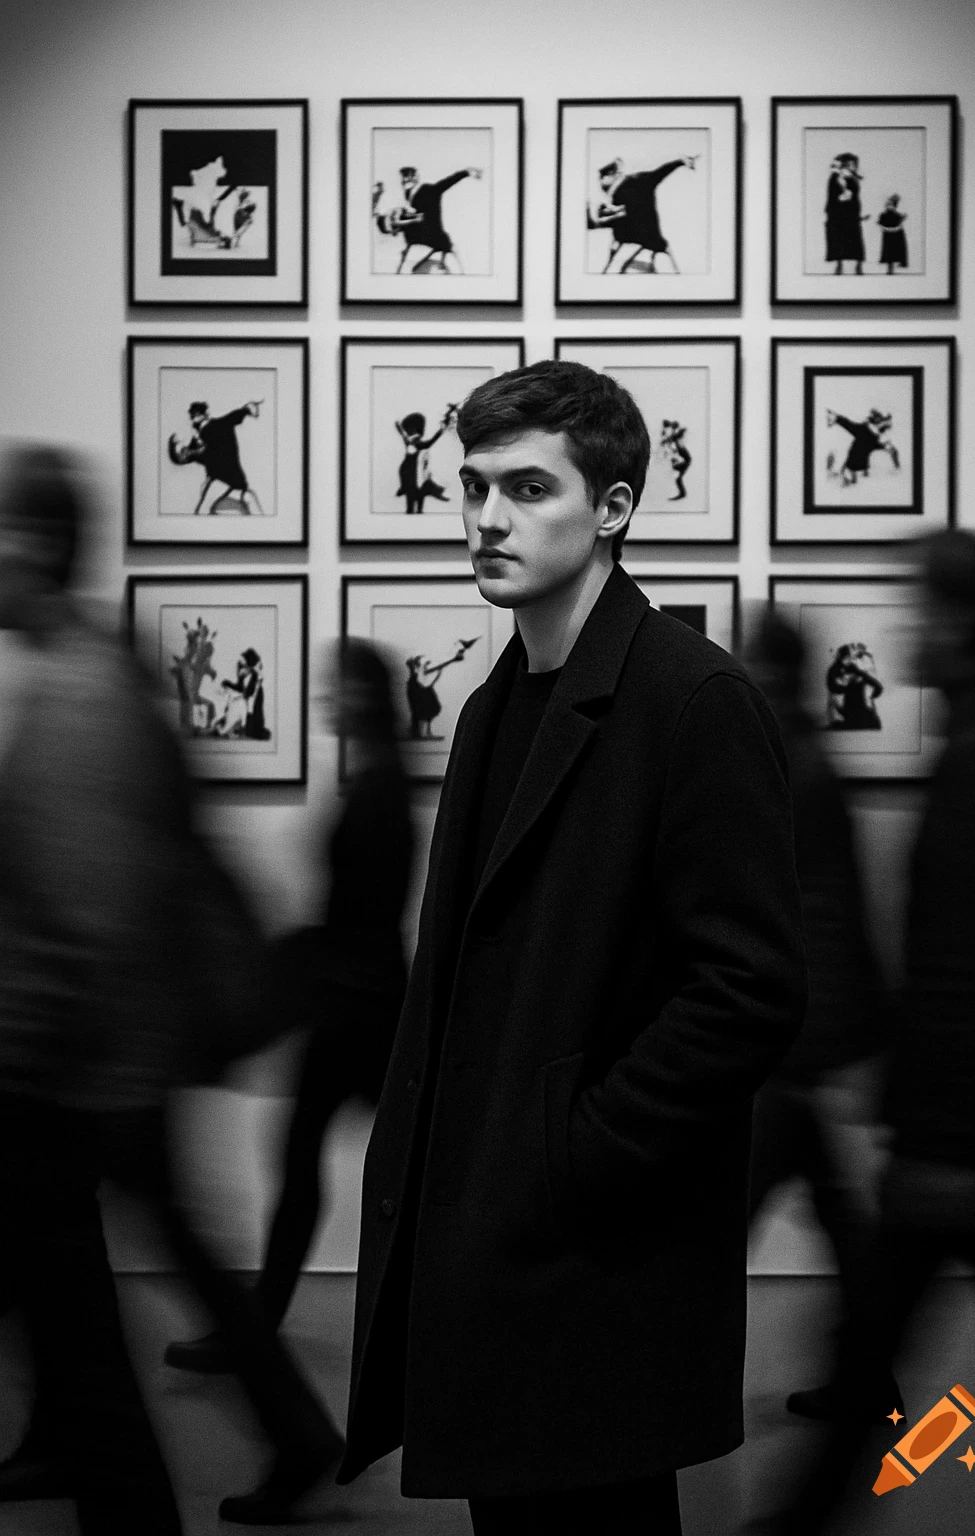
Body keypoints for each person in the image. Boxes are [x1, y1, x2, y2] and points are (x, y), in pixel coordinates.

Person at [337, 359, 807, 1533]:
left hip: (593, 1249)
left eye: (527, 488)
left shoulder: (692, 699)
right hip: (497, 1242)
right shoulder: (498, 703)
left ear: (613, 508)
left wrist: (570, 1151)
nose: (487, 518)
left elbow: (749, 988)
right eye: (473, 487)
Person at [0, 446, 344, 1530]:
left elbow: (91, 923)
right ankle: (257, 1437)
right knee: (114, 1280)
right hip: (118, 1059)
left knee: (84, 1295)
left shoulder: (79, 700)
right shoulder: (94, 672)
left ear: (32, 546)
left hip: (93, 1072)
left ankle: (135, 1475)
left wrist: (29, 1060)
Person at [750, 530, 975, 1534]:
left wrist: (938, 1133)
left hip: (958, 1136)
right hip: (952, 1127)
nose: (903, 628)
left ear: (952, 619)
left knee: (874, 1322)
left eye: (916, 606)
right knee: (871, 1329)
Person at [165, 637, 413, 1365]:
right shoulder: (377, 781)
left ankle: (256, 1329)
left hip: (356, 1011)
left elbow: (360, 919)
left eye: (340, 687)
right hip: (362, 1005)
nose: (328, 698)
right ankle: (261, 1325)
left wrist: (291, 953)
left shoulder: (380, 792)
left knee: (317, 1162)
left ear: (366, 697)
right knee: (361, 1165)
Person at [744, 613, 897, 1425]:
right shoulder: (805, 760)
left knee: (723, 1211)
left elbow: (795, 914)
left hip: (796, 1028)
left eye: (757, 669)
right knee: (836, 1211)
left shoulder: (787, 768)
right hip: (812, 1027)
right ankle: (869, 1370)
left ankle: (661, 1372)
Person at [588, 154, 697, 274]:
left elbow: (624, 219)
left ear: (612, 175)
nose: (600, 181)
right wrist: (680, 161)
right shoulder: (638, 181)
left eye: (602, 176)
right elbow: (659, 173)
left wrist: (596, 221)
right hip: (658, 250)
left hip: (635, 252)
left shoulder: (624, 190)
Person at [168, 398, 265, 517]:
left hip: (233, 483)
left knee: (206, 508)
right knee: (203, 510)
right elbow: (181, 459)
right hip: (221, 482)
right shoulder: (197, 442)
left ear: (205, 414)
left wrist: (247, 409)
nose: (193, 419)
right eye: (192, 416)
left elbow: (233, 417)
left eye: (196, 415)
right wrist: (172, 446)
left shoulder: (218, 425)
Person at [377, 165, 483, 274]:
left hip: (440, 250)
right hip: (432, 251)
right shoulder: (411, 197)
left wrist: (465, 173)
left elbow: (443, 185)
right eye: (404, 177)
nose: (405, 180)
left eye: (409, 176)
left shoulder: (425, 192)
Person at [395, 407, 457, 515]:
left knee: (414, 502)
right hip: (412, 476)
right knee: (415, 502)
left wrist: (399, 428)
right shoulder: (414, 443)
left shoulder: (412, 442)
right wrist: (441, 430)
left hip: (414, 476)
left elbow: (406, 436)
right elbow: (429, 442)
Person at [824, 152, 866, 274]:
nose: (854, 166)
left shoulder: (853, 179)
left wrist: (850, 196)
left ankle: (858, 265)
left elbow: (856, 194)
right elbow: (831, 195)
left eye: (854, 164)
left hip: (852, 213)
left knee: (855, 239)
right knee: (838, 239)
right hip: (837, 214)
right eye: (851, 164)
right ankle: (839, 264)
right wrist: (839, 198)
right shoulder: (834, 178)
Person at [877, 193, 908, 273]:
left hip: (891, 234)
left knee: (891, 251)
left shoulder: (893, 215)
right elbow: (880, 222)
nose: (889, 206)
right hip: (891, 234)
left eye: (891, 204)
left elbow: (880, 222)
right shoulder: (891, 215)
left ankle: (892, 266)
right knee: (891, 251)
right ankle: (893, 265)